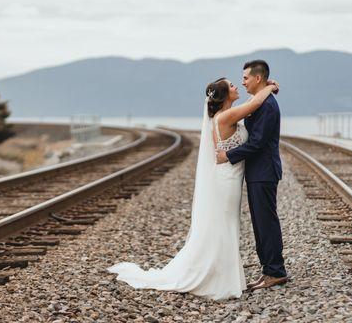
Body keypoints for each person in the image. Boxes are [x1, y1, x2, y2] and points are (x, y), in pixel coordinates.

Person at [107, 71, 279, 300]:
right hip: (227, 179)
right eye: (231, 85)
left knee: (226, 225)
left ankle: (223, 273)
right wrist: (269, 87)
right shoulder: (224, 118)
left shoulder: (226, 113)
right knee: (224, 225)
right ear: (225, 94)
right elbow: (256, 102)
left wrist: (264, 87)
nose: (237, 85)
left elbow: (251, 103)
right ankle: (219, 278)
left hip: (230, 177)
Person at [216, 60, 287, 290]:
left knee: (266, 223)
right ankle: (268, 270)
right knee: (260, 223)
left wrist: (229, 156)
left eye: (245, 77)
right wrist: (270, 85)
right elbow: (252, 107)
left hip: (264, 172)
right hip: (258, 172)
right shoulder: (260, 101)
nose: (242, 81)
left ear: (258, 78)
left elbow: (257, 143)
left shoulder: (267, 106)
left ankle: (275, 271)